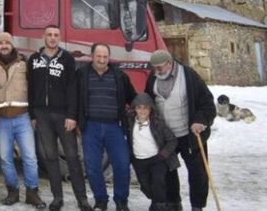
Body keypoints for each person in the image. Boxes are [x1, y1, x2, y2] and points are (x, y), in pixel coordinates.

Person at [28, 25, 91, 211]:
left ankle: (82, 199)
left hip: (63, 115)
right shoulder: (34, 59)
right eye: (49, 35)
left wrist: (72, 115)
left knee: (72, 157)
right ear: (43, 37)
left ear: (60, 37)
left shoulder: (67, 59)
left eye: (56, 35)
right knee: (50, 157)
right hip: (42, 115)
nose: (52, 38)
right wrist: (33, 114)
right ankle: (57, 198)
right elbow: (30, 88)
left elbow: (73, 89)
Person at [145, 50, 216, 211]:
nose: (157, 71)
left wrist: (200, 120)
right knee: (168, 171)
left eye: (160, 68)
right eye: (154, 68)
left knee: (197, 172)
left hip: (189, 135)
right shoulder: (153, 78)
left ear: (169, 63)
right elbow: (149, 101)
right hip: (167, 137)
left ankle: (197, 206)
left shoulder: (188, 76)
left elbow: (207, 102)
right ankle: (173, 203)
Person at [0, 32, 45, 209]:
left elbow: (34, 88)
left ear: (12, 45)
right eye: (0, 43)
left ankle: (32, 192)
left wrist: (35, 114)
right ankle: (12, 191)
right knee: (5, 158)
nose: (4, 45)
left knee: (30, 157)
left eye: (7, 42)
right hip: (1, 119)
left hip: (22, 117)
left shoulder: (24, 63)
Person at [76, 43, 137, 211]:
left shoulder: (119, 76)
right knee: (93, 167)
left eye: (105, 57)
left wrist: (146, 109)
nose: (102, 60)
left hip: (114, 127)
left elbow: (133, 98)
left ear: (109, 58)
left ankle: (121, 200)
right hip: (90, 127)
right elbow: (74, 98)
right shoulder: (81, 74)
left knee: (122, 165)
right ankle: (101, 200)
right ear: (92, 56)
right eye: (98, 56)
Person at [127, 93, 179, 211]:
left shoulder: (157, 123)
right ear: (134, 109)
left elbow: (172, 140)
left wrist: (163, 155)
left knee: (158, 182)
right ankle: (157, 202)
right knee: (145, 186)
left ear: (151, 109)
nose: (142, 111)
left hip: (157, 159)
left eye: (146, 108)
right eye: (139, 107)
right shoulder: (130, 122)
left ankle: (159, 206)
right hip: (139, 160)